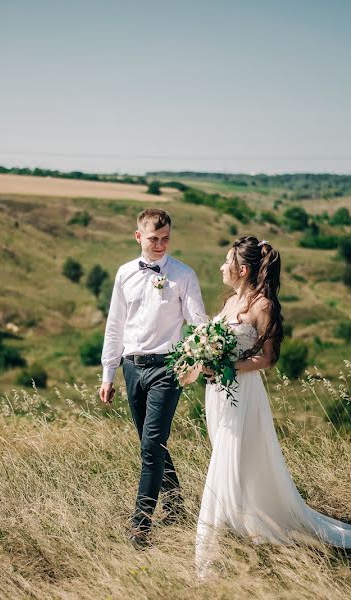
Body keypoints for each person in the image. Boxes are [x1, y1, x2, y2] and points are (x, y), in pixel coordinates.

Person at [183, 236, 351, 576]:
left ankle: (209, 554)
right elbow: (213, 342)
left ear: (242, 269)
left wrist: (230, 367)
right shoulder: (229, 302)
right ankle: (247, 525)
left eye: (227, 263)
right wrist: (200, 362)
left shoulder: (263, 306)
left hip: (242, 393)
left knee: (225, 462)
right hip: (217, 394)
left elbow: (267, 358)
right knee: (231, 459)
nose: (221, 267)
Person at [99, 208, 206, 549]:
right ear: (138, 237)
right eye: (153, 239)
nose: (160, 245)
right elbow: (115, 324)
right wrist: (108, 372)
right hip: (132, 366)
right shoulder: (124, 274)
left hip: (167, 369)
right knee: (151, 443)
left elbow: (197, 320)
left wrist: (202, 351)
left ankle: (140, 526)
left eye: (165, 239)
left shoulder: (183, 275)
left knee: (150, 446)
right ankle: (174, 505)